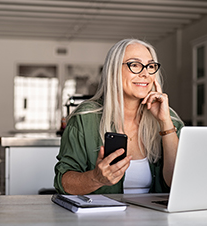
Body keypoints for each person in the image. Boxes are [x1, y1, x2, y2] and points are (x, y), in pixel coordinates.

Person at [54, 39, 184, 195]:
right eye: (134, 65)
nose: (145, 74)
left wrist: (165, 123)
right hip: (102, 218)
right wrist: (96, 178)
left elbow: (178, 182)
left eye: (150, 66)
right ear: (114, 71)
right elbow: (64, 182)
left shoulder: (169, 118)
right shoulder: (86, 118)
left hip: (156, 218)